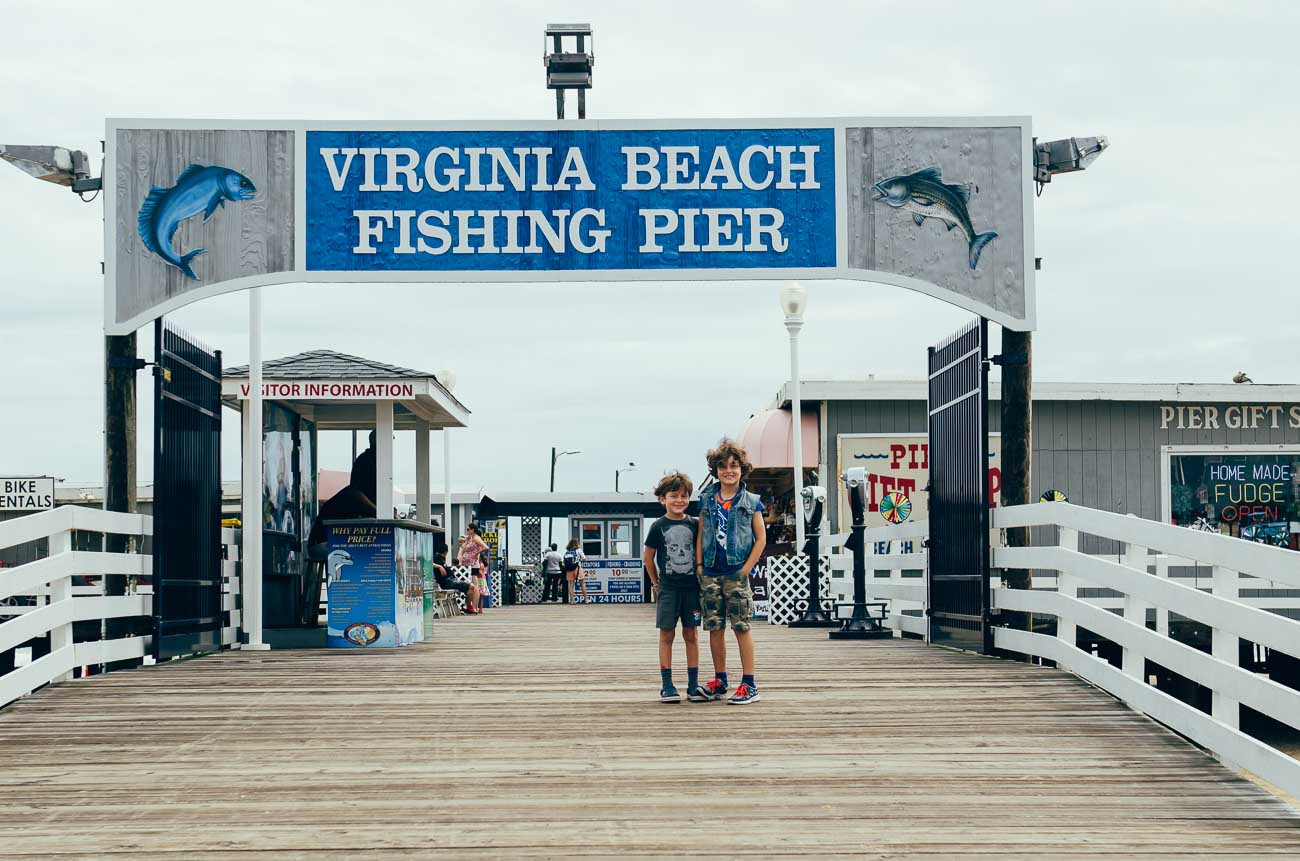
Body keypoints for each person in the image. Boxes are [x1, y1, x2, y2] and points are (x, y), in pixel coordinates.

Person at [693, 438, 766, 705]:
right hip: (711, 571)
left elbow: (761, 539)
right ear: (716, 470)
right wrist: (700, 566)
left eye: (734, 466)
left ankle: (749, 684)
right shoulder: (707, 500)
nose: (728, 471)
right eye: (723, 466)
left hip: (736, 571)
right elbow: (701, 534)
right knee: (714, 627)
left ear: (742, 469)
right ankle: (720, 679)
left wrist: (745, 570)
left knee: (741, 627)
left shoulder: (752, 501)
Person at [643, 471, 701, 703]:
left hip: (692, 589)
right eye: (674, 496)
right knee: (667, 634)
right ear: (662, 499)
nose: (679, 500)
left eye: (684, 496)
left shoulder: (696, 525)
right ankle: (667, 685)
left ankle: (694, 685)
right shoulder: (658, 526)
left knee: (691, 634)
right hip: (668, 589)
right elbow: (649, 558)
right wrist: (656, 583)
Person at [433, 546, 481, 615]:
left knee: (471, 588)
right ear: (446, 552)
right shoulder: (435, 557)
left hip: (451, 580)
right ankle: (468, 608)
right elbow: (428, 563)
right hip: (447, 582)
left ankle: (467, 607)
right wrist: (439, 566)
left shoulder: (441, 559)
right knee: (472, 586)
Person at [457, 523, 489, 613]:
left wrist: (476, 553)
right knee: (470, 586)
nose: (467, 531)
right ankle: (469, 606)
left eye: (468, 529)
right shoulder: (470, 538)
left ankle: (474, 606)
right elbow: (463, 549)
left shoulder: (476, 538)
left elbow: (485, 547)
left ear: (472, 530)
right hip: (467, 565)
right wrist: (466, 541)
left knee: (475, 586)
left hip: (473, 565)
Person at [562, 538, 588, 604]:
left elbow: (563, 562)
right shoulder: (579, 550)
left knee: (571, 585)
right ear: (577, 543)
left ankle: (572, 600)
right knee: (582, 584)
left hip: (569, 570)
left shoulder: (567, 552)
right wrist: (582, 559)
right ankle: (586, 599)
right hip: (577, 568)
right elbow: (584, 559)